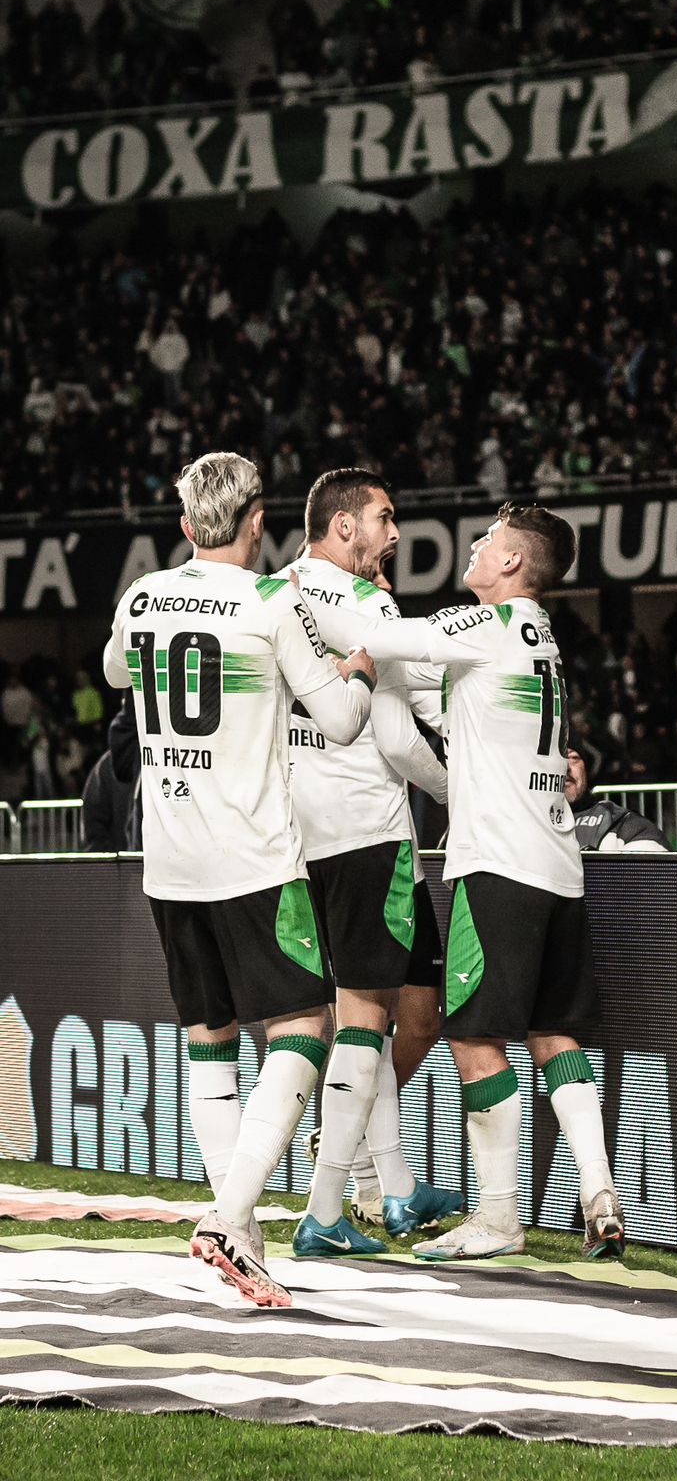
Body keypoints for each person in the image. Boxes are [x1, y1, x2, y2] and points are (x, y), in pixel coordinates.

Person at [300, 501, 625, 1262]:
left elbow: (370, 635)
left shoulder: (481, 628)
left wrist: (299, 586)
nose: (476, 548)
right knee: (555, 1033)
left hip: (497, 866)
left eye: (488, 541)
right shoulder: (539, 641)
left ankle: (500, 1217)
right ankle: (599, 1190)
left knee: (476, 1037)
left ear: (512, 563)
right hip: (558, 867)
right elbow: (402, 723)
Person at [102, 451, 377, 1307]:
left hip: (170, 860)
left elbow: (117, 671)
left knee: (209, 1036)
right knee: (305, 1024)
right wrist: (359, 670)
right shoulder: (271, 601)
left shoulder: (141, 596)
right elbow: (335, 722)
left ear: (185, 526)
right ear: (259, 522)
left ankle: (240, 1229)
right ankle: (230, 1217)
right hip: (254, 857)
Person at [284, 469, 459, 1255]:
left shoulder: (278, 591)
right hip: (367, 829)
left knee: (393, 1012)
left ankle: (391, 1188)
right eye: (384, 518)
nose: (395, 534)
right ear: (344, 525)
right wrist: (468, 795)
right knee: (370, 1016)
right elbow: (393, 738)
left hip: (300, 835)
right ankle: (328, 1208)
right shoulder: (368, 606)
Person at [565, 748, 671, 852]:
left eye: (573, 757)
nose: (566, 767)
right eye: (557, 759)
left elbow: (657, 861)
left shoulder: (618, 822)